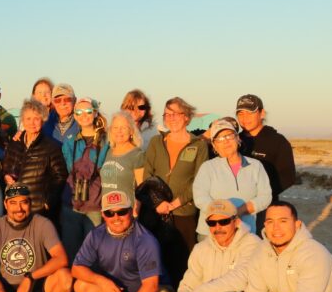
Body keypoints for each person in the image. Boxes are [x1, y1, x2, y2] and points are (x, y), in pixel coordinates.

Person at [71, 190, 173, 292]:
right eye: (110, 213)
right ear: (103, 215)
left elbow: (151, 286)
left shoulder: (145, 240)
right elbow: (76, 269)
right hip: (119, 290)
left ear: (131, 211)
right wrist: (101, 281)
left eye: (122, 212)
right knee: (81, 286)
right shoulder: (96, 235)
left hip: (150, 290)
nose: (116, 217)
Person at [143, 96, 209, 256]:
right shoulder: (156, 142)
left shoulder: (199, 145)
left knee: (183, 262)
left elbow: (200, 181)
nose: (171, 118)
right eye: (167, 114)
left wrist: (174, 204)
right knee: (155, 260)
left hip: (184, 212)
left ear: (186, 117)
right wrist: (158, 203)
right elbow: (147, 175)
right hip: (156, 212)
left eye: (175, 114)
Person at [193, 119, 272, 239]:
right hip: (212, 232)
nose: (225, 141)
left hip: (245, 232)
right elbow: (200, 198)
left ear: (238, 138)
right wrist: (222, 215)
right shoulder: (207, 167)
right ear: (214, 145)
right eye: (219, 139)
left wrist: (238, 211)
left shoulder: (256, 166)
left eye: (229, 136)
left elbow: (265, 196)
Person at [236, 94, 296, 228]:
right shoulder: (234, 141)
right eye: (240, 114)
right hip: (237, 205)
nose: (245, 119)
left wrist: (262, 195)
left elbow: (288, 176)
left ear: (261, 113)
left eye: (250, 113)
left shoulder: (278, 141)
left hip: (265, 208)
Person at [2, 99, 68, 220]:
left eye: (36, 118)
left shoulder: (51, 147)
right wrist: (6, 176)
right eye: (28, 119)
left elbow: (61, 176)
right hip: (16, 208)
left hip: (39, 210)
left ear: (42, 121)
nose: (32, 123)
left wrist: (48, 201)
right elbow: (6, 167)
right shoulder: (14, 144)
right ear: (22, 120)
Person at [60, 97, 108, 258]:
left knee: (94, 253)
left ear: (95, 113)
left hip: (95, 205)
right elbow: (68, 169)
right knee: (71, 252)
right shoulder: (69, 143)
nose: (84, 115)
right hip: (71, 205)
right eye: (79, 112)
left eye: (88, 111)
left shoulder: (106, 141)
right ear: (74, 115)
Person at [99, 111, 145, 202]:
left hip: (126, 211)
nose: (119, 131)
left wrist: (136, 211)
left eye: (123, 127)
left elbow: (142, 188)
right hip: (108, 210)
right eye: (115, 127)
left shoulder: (137, 155)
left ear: (131, 131)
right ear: (111, 130)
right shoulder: (107, 152)